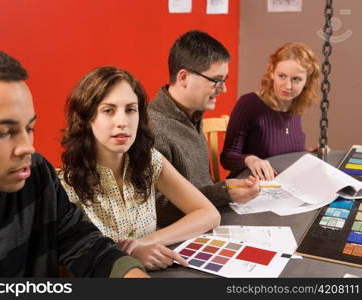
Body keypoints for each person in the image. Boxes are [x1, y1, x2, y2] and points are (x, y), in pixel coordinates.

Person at [0, 47, 148, 278]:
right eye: (2, 132)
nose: (27, 147)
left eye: (29, 128)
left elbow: (85, 245)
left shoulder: (36, 172)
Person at [60, 66, 220, 270]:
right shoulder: (65, 187)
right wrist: (129, 256)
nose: (122, 122)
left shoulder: (149, 160)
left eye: (130, 110)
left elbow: (208, 213)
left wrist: (145, 242)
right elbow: (69, 270)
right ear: (87, 118)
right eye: (108, 110)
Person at [148, 30, 260, 227]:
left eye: (224, 80)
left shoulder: (191, 114)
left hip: (206, 220)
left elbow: (200, 187)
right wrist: (223, 192)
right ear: (183, 78)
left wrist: (226, 189)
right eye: (216, 80)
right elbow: (156, 210)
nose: (223, 89)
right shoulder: (153, 130)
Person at [220, 42, 320, 180]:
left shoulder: (295, 107)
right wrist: (250, 160)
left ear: (307, 82)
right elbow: (227, 158)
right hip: (249, 187)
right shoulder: (249, 104)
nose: (288, 86)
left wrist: (308, 154)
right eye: (282, 76)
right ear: (272, 72)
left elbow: (283, 154)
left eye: (296, 79)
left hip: (282, 187)